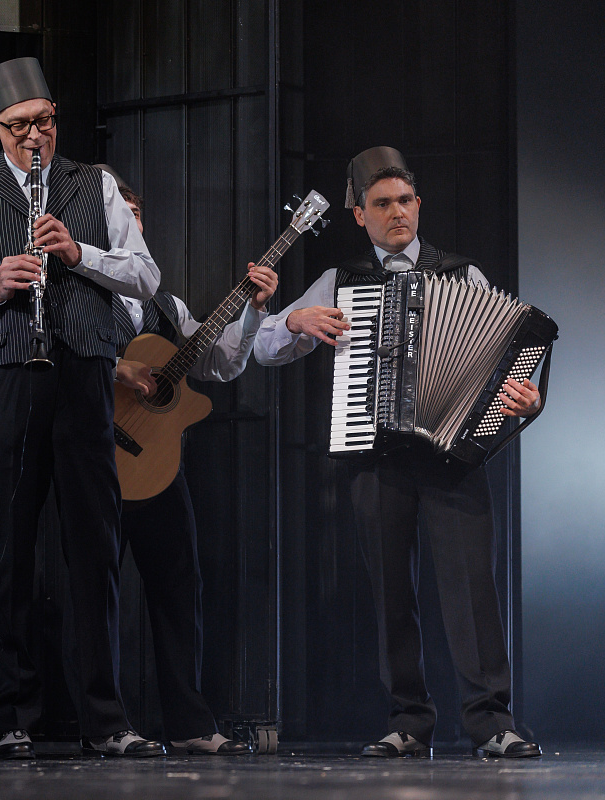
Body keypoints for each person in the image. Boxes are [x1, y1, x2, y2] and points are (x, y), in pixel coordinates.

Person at [253, 146, 543, 759]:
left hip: (452, 458)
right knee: (390, 596)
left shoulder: (462, 274)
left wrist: (525, 399)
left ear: (418, 204)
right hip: (376, 455)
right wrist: (294, 322)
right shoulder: (341, 280)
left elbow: (505, 359)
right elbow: (265, 348)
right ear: (360, 215)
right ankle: (409, 722)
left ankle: (492, 723)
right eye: (382, 204)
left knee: (472, 592)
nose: (397, 213)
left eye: (405, 200)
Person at [0, 57, 162, 759]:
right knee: (5, 548)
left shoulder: (96, 185)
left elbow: (145, 276)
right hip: (6, 374)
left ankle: (105, 719)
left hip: (83, 374)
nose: (36, 137)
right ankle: (9, 716)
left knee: (94, 545)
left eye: (46, 122)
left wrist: (79, 252)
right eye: (21, 126)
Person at [104, 170, 275, 755]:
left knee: (179, 590)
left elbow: (220, 363)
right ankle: (101, 723)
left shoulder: (166, 305)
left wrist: (251, 312)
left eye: (136, 213)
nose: (130, 222)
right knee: (95, 595)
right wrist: (117, 369)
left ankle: (188, 723)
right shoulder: (78, 299)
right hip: (98, 459)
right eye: (118, 213)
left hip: (158, 467)